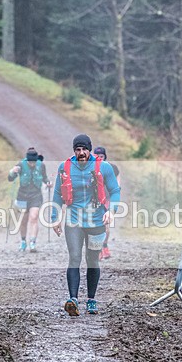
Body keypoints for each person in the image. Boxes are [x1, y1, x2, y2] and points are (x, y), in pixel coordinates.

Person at [52, 134, 120, 315]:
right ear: (74, 150)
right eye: (77, 149)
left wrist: (112, 211)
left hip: (97, 222)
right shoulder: (65, 167)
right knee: (74, 258)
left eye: (84, 149)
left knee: (92, 260)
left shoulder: (104, 167)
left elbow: (114, 190)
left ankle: (91, 299)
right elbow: (57, 194)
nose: (81, 153)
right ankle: (73, 299)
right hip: (73, 221)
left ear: (90, 149)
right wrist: (55, 217)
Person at [8, 147, 51, 252]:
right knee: (23, 220)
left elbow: (44, 177)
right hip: (22, 195)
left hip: (36, 195)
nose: (32, 164)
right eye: (30, 162)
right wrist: (13, 172)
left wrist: (48, 182)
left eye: (34, 162)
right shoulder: (21, 165)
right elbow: (10, 178)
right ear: (27, 160)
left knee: (34, 217)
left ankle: (32, 242)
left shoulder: (41, 165)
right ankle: (23, 241)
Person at [92, 146, 120, 260]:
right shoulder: (91, 168)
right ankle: (97, 249)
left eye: (102, 156)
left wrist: (117, 188)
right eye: (97, 157)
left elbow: (118, 180)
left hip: (107, 199)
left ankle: (104, 245)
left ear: (105, 156)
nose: (100, 158)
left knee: (106, 224)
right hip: (95, 199)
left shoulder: (112, 167)